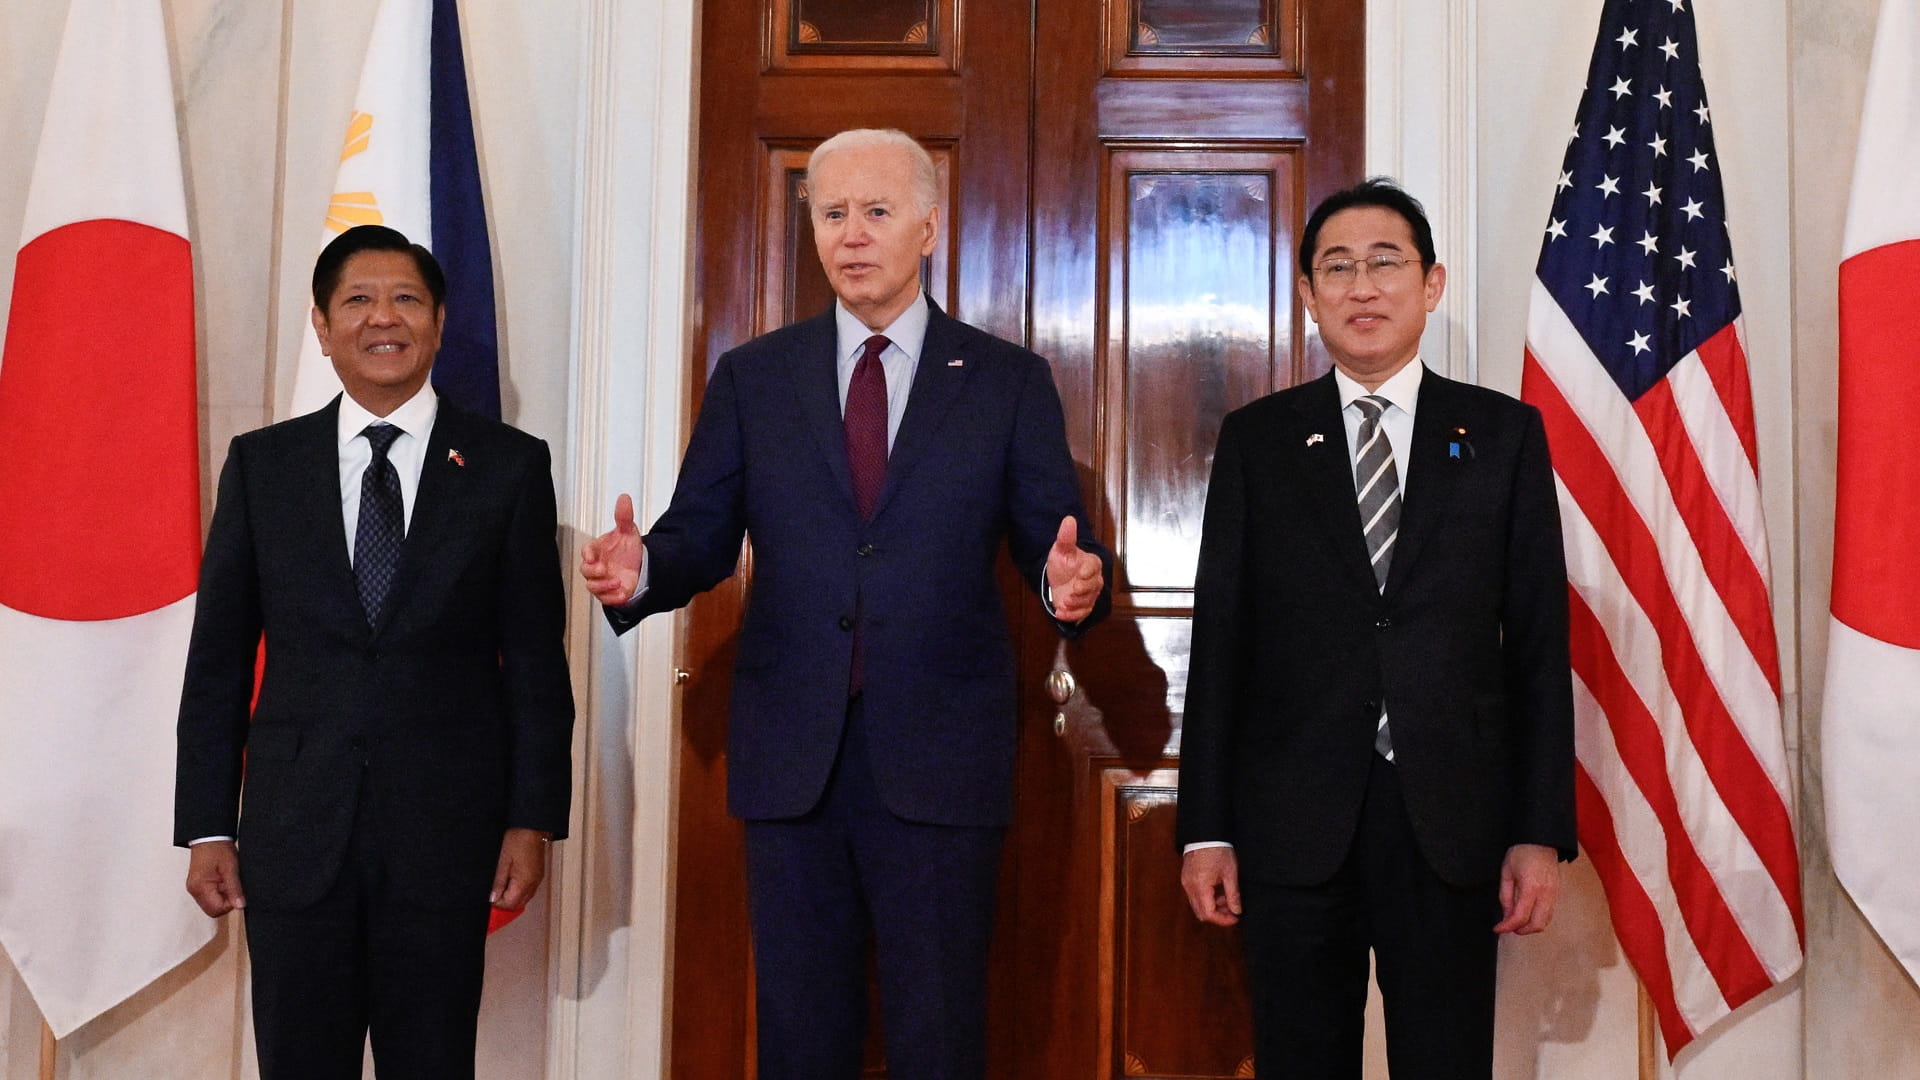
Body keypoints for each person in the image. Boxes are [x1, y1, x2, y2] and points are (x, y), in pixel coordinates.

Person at [580, 127, 1111, 1080]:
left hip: (942, 758)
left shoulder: (1006, 381)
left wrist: (1069, 586)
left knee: (938, 1035)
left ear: (928, 229)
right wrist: (644, 568)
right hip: (794, 759)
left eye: (876, 211)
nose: (852, 234)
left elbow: (1053, 545)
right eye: (832, 214)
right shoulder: (755, 376)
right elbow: (701, 532)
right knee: (801, 1036)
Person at [1175, 178, 1575, 1078]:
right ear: (1308, 293)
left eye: (1386, 263)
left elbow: (1539, 648)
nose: (1363, 287)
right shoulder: (1258, 441)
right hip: (1291, 824)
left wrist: (1539, 829)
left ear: (1431, 285)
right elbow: (1222, 644)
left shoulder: (1504, 436)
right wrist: (1204, 828)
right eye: (1338, 267)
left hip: (1451, 821)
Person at [174, 225, 574, 1080]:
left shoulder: (507, 468)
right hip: (293, 836)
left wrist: (531, 818)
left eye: (405, 300)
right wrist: (207, 825)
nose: (382, 318)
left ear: (438, 322)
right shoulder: (263, 467)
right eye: (357, 300)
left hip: (445, 836)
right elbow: (216, 666)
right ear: (322, 326)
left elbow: (538, 666)